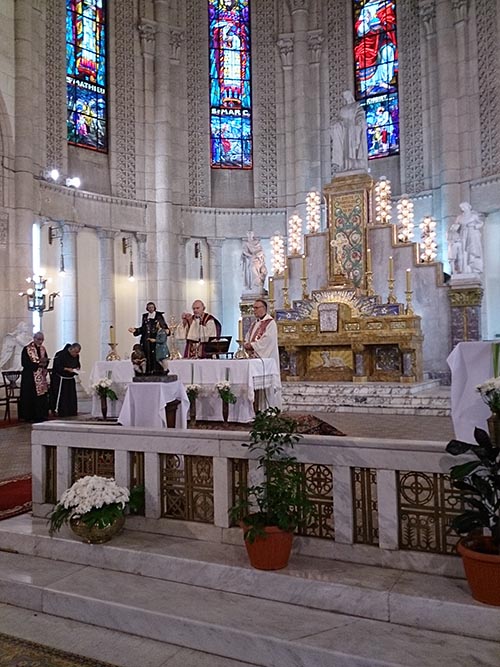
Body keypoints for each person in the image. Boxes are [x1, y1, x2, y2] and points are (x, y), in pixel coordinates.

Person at [330, 90, 368, 172]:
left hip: (353, 128)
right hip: (345, 130)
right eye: (344, 96)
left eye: (347, 95)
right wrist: (336, 123)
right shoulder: (342, 109)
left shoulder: (356, 105)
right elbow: (340, 119)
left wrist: (359, 121)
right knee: (346, 147)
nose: (346, 97)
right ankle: (345, 164)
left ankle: (354, 162)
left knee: (353, 147)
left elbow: (360, 114)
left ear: (350, 96)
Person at [128, 302, 168, 374]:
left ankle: (158, 370)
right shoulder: (145, 316)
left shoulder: (158, 315)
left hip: (156, 339)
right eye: (149, 307)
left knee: (156, 356)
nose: (151, 309)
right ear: (147, 308)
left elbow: (163, 325)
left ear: (154, 308)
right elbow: (143, 328)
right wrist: (136, 330)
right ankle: (148, 371)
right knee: (147, 354)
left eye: (152, 307)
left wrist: (166, 330)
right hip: (146, 339)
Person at [19, 331, 50, 423]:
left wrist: (45, 364)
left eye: (42, 340)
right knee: (30, 395)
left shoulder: (43, 349)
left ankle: (41, 415)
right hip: (30, 376)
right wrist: (38, 364)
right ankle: (30, 416)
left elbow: (46, 360)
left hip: (40, 375)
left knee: (41, 396)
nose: (40, 341)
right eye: (39, 339)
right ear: (34, 338)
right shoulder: (27, 349)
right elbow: (24, 363)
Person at [243, 300, 280, 370]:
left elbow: (267, 340)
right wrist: (246, 343)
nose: (254, 310)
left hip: (265, 359)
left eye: (256, 308)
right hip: (253, 359)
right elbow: (248, 336)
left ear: (263, 308)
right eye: (253, 308)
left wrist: (252, 345)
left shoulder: (270, 323)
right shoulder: (254, 323)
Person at [50, 343, 81, 417]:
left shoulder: (77, 356)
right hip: (61, 379)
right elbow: (57, 366)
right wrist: (66, 369)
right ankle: (60, 411)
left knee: (71, 397)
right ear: (71, 349)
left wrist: (77, 368)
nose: (76, 354)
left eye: (77, 352)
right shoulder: (60, 354)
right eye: (75, 352)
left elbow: (77, 364)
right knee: (62, 397)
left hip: (70, 379)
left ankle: (71, 411)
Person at [460, 202, 484, 274]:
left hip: (472, 233)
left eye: (464, 207)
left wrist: (474, 226)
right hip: (464, 234)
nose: (463, 209)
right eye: (462, 208)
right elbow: (457, 226)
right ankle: (465, 269)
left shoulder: (474, 216)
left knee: (473, 249)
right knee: (464, 251)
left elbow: (481, 223)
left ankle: (474, 267)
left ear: (468, 207)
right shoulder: (460, 217)